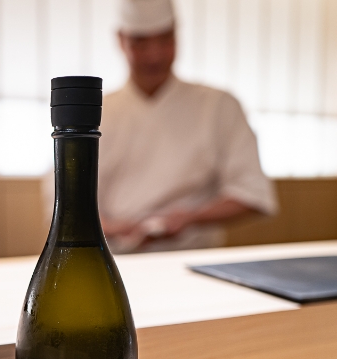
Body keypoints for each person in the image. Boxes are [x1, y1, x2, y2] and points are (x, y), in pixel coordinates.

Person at [97, 0, 277, 253]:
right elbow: (64, 202)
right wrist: (113, 228)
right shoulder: (95, 113)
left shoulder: (218, 105)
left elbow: (252, 193)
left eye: (165, 40)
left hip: (195, 256)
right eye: (141, 42)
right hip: (112, 260)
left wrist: (190, 217)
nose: (154, 55)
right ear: (120, 40)